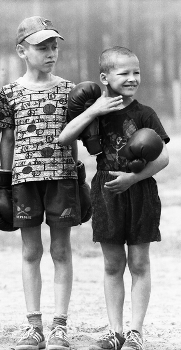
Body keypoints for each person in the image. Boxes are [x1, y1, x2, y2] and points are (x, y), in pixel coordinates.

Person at [59, 46, 170, 350]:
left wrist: (133, 178)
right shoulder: (95, 112)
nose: (132, 78)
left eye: (136, 72)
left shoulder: (146, 113)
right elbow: (64, 138)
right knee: (112, 264)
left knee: (138, 262)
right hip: (106, 191)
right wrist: (92, 111)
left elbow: (163, 158)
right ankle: (115, 331)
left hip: (140, 192)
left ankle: (135, 332)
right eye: (124, 73)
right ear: (105, 77)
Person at [0, 16, 81, 350]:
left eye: (53, 47)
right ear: (22, 51)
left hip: (62, 177)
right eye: (41, 48)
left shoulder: (68, 90)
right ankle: (34, 327)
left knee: (61, 250)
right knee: (31, 250)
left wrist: (80, 177)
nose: (50, 53)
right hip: (23, 180)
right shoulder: (8, 93)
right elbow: (6, 139)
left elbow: (75, 136)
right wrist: (3, 185)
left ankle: (59, 326)